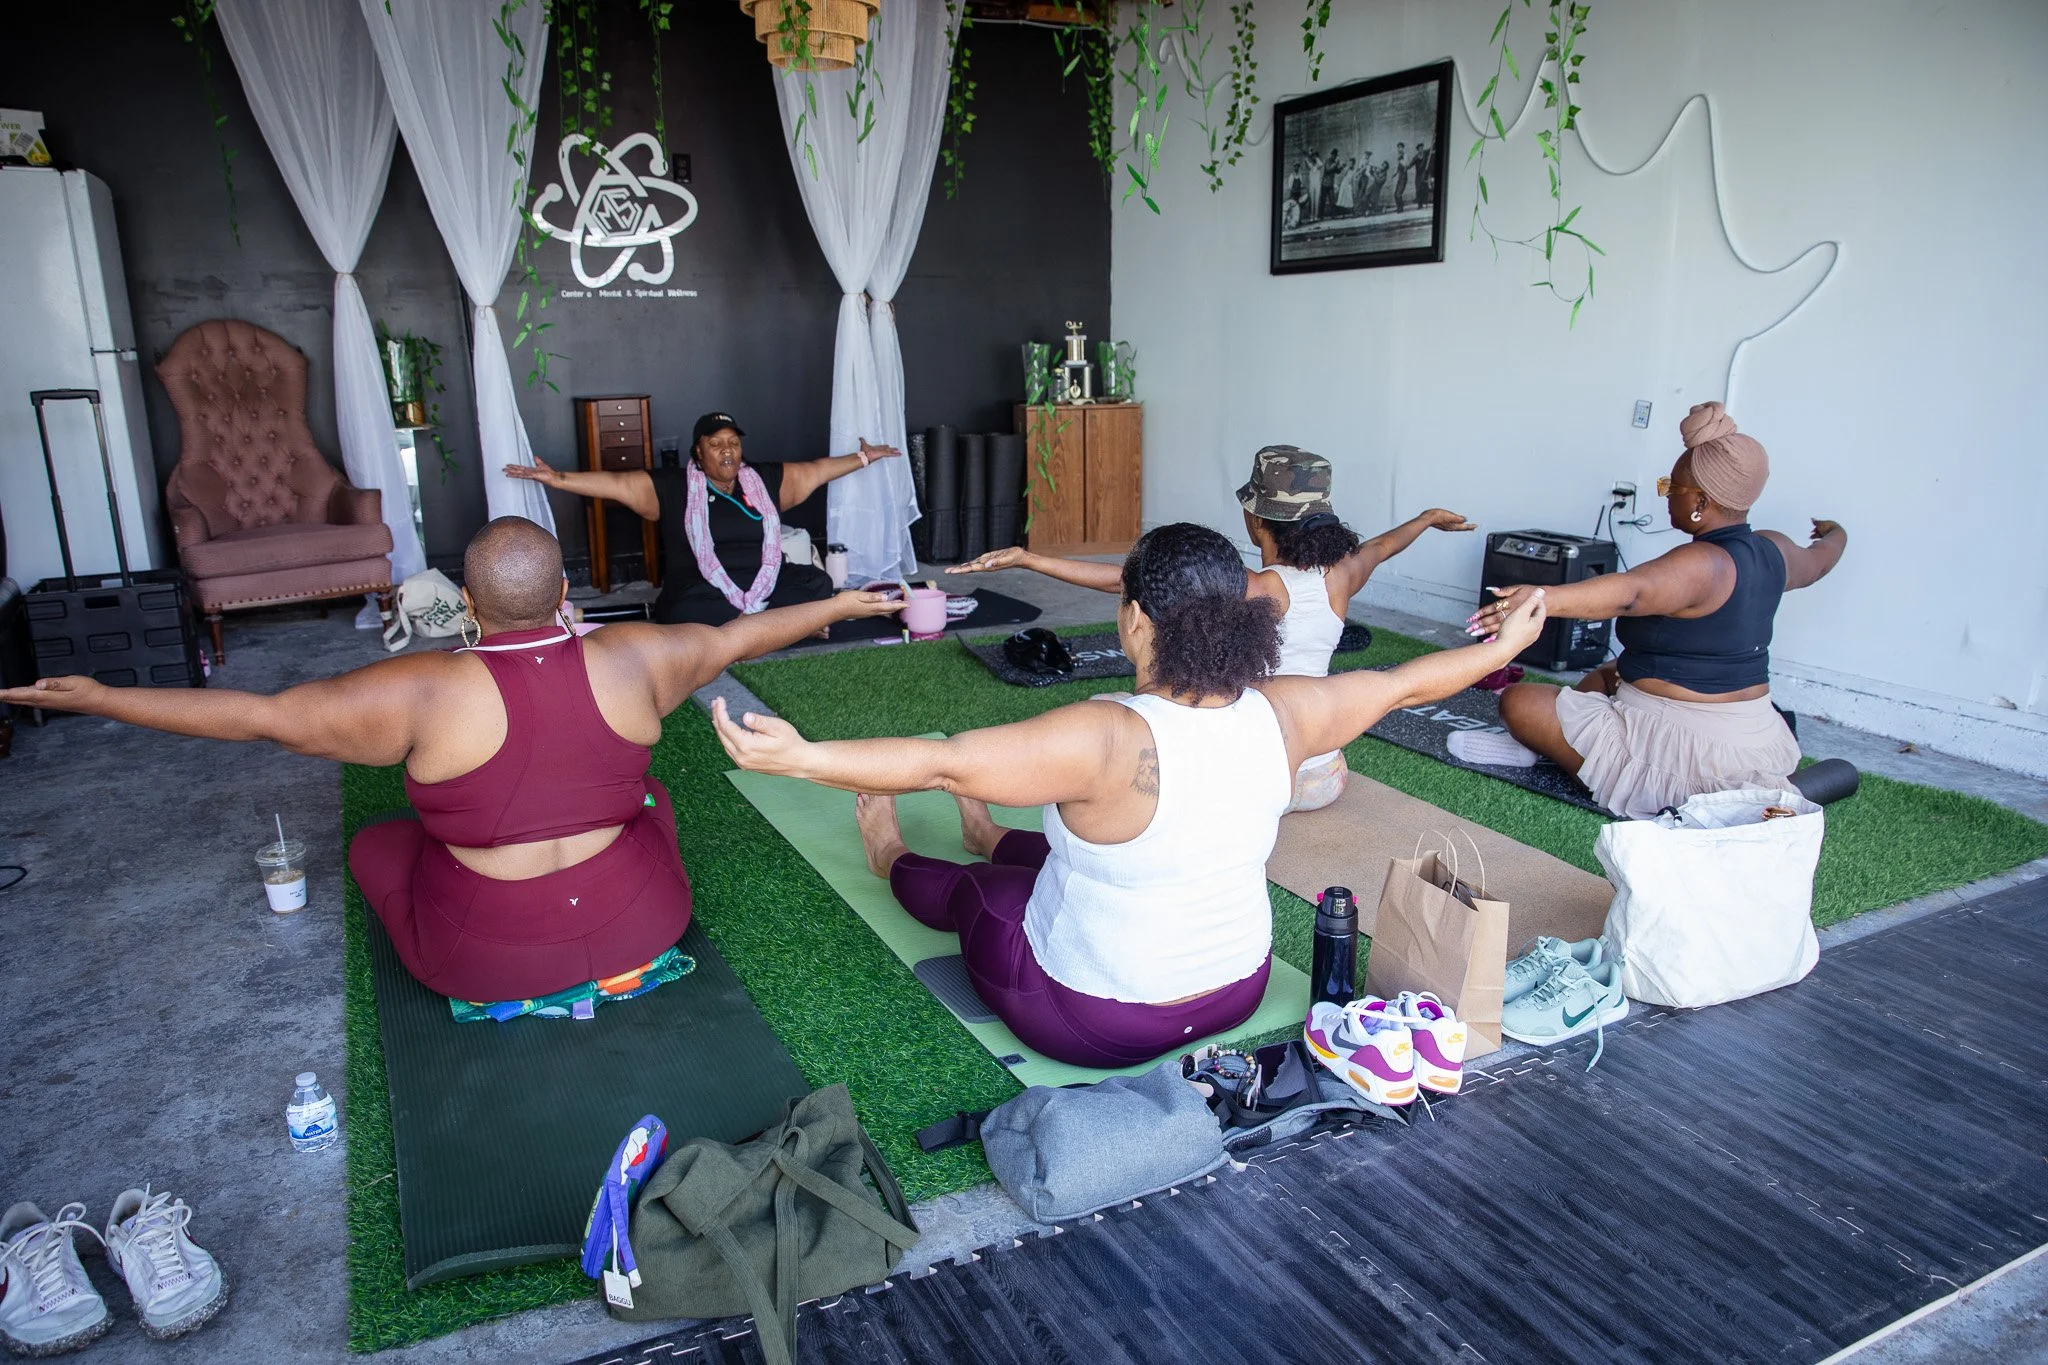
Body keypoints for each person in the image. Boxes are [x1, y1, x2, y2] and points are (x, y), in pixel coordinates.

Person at [712, 523, 1548, 1068]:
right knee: (1058, 850)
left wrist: (805, 755)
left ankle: (891, 853)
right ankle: (992, 838)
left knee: (985, 896)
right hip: (1240, 988)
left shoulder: (1106, 734)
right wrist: (1503, 643)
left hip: (1095, 1021)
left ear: (1138, 620)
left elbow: (949, 762)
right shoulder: (1288, 711)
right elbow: (1402, 684)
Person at [0, 517, 904, 1002]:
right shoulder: (637, 655)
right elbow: (744, 634)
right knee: (652, 800)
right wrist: (845, 604)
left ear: (468, 602)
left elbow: (262, 716)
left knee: (379, 845)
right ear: (565, 597)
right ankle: (612, 958)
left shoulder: (422, 688)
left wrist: (103, 696)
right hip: (645, 923)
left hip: (486, 961)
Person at [950, 446, 1473, 811]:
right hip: (1326, 774)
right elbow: (1383, 545)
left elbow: (1131, 579)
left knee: (1116, 720)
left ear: (1255, 519)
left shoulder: (1263, 586)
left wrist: (1031, 559)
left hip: (1266, 780)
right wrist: (1425, 518)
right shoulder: (1343, 576)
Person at [1464, 402, 1848, 819]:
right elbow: (1822, 559)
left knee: (1518, 702)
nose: (1665, 496)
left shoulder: (1704, 563)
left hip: (1686, 750)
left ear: (1701, 501)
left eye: (1672, 487)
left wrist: (1542, 598)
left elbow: (1631, 593)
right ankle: (1562, 742)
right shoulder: (1777, 549)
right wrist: (1835, 532)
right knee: (1607, 675)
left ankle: (1567, 755)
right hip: (1754, 736)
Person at [506, 410, 901, 626]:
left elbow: (818, 468)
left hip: (770, 581)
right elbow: (615, 483)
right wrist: (556, 479)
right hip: (704, 588)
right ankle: (785, 628)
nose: (727, 450)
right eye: (716, 444)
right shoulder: (673, 487)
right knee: (684, 611)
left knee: (817, 583)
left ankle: (751, 631)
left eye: (733, 442)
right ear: (698, 452)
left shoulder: (764, 480)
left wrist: (865, 457)